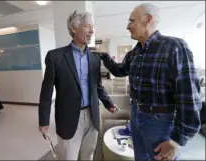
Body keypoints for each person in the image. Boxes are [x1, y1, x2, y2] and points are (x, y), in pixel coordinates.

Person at [93, 3, 202, 161]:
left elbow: (189, 96)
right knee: (141, 157)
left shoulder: (174, 47)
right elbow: (119, 70)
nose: (128, 26)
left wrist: (177, 140)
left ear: (148, 19)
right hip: (136, 114)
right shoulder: (135, 52)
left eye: (131, 21)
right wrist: (104, 55)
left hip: (161, 121)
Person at [38, 10, 118, 160]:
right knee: (69, 157)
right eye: (88, 26)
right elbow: (46, 92)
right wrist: (43, 121)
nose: (92, 31)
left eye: (93, 26)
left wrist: (108, 103)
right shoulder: (55, 56)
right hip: (68, 117)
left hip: (93, 115)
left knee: (88, 155)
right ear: (74, 28)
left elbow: (97, 86)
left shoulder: (95, 57)